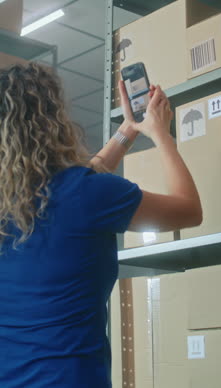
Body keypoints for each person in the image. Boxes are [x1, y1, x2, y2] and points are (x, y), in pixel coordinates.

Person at [0, 63, 202, 388]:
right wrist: (161, 134)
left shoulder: (16, 206)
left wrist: (130, 128)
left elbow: (84, 180)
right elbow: (189, 210)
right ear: (51, 120)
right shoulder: (88, 195)